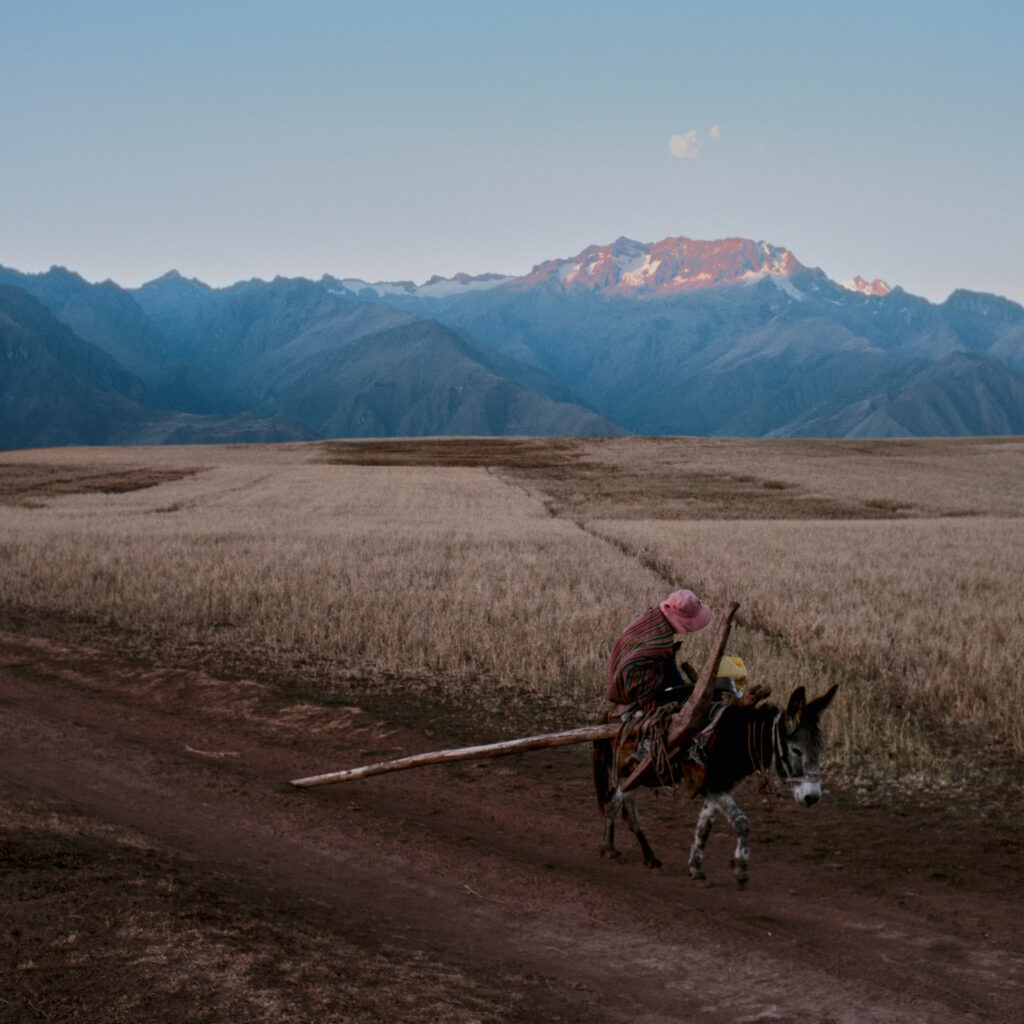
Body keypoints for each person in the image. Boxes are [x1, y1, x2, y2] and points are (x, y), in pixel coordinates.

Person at [606, 590, 713, 719]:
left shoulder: (648, 613)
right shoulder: (659, 645)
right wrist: (646, 698)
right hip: (624, 683)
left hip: (622, 666)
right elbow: (629, 666)